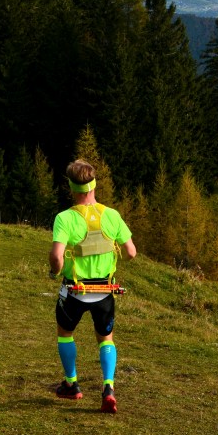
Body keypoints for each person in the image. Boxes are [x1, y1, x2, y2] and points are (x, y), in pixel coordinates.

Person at [49, 159, 137, 414]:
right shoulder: (112, 215)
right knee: (105, 338)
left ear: (71, 186)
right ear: (94, 185)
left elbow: (56, 257)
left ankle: (72, 384)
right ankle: (108, 387)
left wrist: (55, 271)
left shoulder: (64, 218)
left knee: (65, 333)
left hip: (75, 291)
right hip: (105, 292)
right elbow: (131, 252)